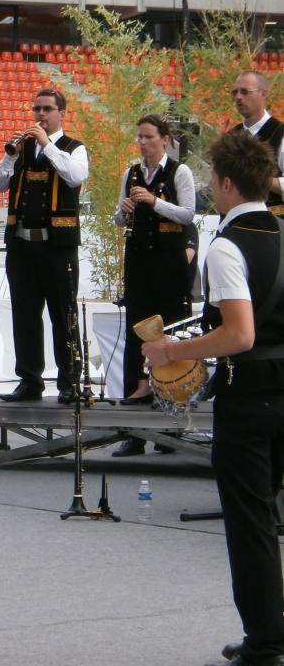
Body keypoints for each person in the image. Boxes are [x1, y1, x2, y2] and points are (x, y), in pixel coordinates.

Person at [143, 131, 284, 666]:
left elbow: (240, 334)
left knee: (251, 523)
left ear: (226, 183)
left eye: (211, 180)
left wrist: (173, 348)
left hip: (250, 398)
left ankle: (267, 641)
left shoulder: (227, 244)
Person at [0, 89, 89, 404]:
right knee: (25, 315)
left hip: (57, 247)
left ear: (61, 113)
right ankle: (29, 380)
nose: (40, 115)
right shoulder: (23, 149)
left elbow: (75, 176)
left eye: (47, 109)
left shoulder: (74, 148)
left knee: (63, 313)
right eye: (37, 109)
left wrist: (47, 144)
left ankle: (70, 381)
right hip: (22, 246)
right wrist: (10, 155)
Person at [113, 115, 195, 416]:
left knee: (170, 323)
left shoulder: (179, 171)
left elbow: (188, 214)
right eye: (140, 137)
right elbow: (119, 220)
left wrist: (153, 200)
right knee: (138, 323)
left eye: (149, 137)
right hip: (139, 257)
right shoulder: (131, 173)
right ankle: (137, 391)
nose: (143, 143)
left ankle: (172, 395)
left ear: (165, 139)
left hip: (168, 258)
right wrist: (123, 211)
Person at [229, 70, 283, 214]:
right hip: (237, 222)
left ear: (263, 94)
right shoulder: (231, 136)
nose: (238, 97)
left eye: (245, 92)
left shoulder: (280, 134)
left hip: (273, 226)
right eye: (236, 92)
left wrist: (259, 177)